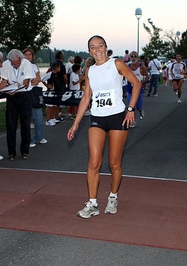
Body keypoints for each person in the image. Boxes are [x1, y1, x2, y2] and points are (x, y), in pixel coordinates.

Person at [67, 35, 141, 219]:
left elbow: (136, 83)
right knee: (94, 162)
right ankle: (92, 203)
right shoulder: (90, 70)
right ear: (89, 50)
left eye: (100, 45)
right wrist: (75, 124)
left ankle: (113, 196)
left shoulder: (116, 64)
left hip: (117, 117)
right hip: (97, 118)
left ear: (106, 47)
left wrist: (131, 109)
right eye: (93, 46)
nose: (97, 49)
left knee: (114, 162)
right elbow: (86, 98)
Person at [0, 49, 35, 160]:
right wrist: (2, 88)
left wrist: (17, 89)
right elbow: (4, 80)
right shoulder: (6, 64)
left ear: (20, 59)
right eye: (13, 64)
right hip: (11, 96)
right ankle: (11, 153)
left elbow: (26, 82)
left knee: (25, 124)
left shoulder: (26, 64)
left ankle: (24, 151)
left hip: (24, 95)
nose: (15, 66)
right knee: (11, 124)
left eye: (17, 63)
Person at [23, 47, 47, 148]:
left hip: (34, 93)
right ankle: (29, 140)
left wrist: (31, 80)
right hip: (25, 93)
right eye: (26, 54)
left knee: (38, 117)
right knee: (28, 118)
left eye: (30, 54)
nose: (28, 56)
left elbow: (38, 79)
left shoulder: (34, 66)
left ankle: (39, 136)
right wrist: (30, 81)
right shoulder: (21, 66)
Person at [127, 51, 149, 122]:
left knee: (138, 106)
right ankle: (132, 121)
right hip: (130, 89)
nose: (133, 58)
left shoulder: (141, 67)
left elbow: (147, 77)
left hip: (138, 89)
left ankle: (140, 110)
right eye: (131, 56)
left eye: (135, 56)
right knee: (130, 106)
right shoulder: (127, 67)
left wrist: (141, 83)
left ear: (138, 58)